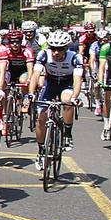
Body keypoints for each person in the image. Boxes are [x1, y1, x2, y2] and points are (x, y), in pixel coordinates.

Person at [29, 30, 83, 168]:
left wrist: (75, 97)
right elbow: (35, 75)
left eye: (59, 49)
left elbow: (77, 80)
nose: (56, 53)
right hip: (50, 83)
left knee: (67, 100)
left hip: (67, 83)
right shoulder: (43, 54)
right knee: (41, 117)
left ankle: (67, 134)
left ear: (66, 48)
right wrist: (30, 93)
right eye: (53, 48)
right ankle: (41, 151)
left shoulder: (75, 57)